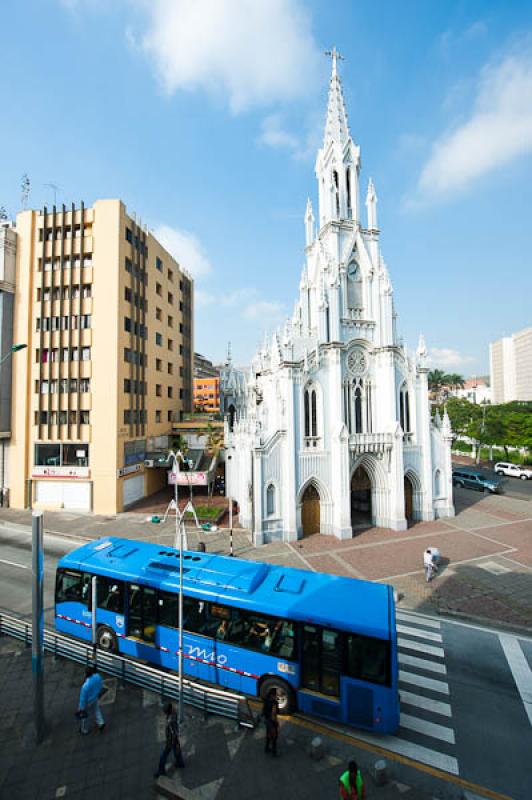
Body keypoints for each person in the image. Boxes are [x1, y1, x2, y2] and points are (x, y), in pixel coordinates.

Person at [154, 703, 184, 778]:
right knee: (177, 749)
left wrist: (172, 739)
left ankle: (161, 770)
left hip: (170, 740)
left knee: (164, 754)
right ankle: (180, 763)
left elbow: (173, 731)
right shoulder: (174, 714)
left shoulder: (171, 721)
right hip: (174, 739)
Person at [78, 665, 105, 735]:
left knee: (84, 716)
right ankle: (101, 722)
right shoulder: (97, 677)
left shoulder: (85, 686)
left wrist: (81, 708)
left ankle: (84, 729)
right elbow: (101, 685)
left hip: (88, 702)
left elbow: (82, 699)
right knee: (96, 710)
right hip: (95, 697)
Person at [262, 687, 280, 756]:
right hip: (271, 721)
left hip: (267, 720)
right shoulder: (274, 703)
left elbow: (263, 711)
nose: (277, 696)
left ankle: (266, 748)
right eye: (276, 695)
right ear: (273, 695)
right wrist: (276, 722)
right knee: (274, 736)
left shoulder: (266, 700)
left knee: (268, 734)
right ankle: (274, 752)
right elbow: (274, 713)